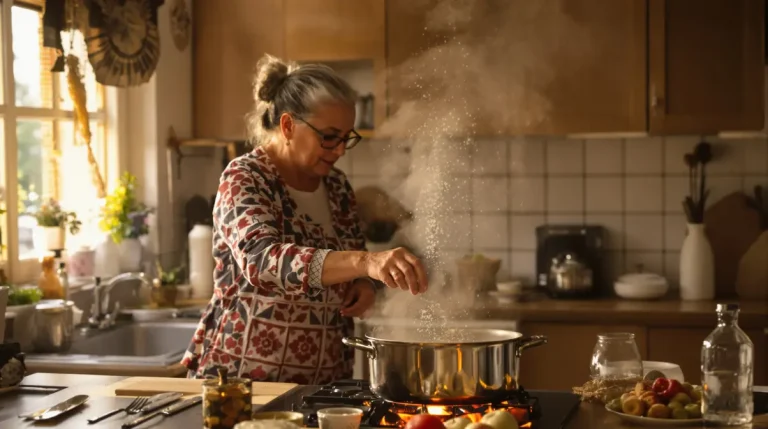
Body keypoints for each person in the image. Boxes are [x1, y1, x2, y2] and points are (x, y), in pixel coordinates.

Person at [181, 54, 428, 384]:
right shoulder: (245, 178)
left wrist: (363, 284)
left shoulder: (337, 186)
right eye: (329, 136)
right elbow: (261, 260)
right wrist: (366, 262)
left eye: (346, 138)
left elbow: (352, 267)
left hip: (322, 385)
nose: (340, 150)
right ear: (287, 125)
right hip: (243, 385)